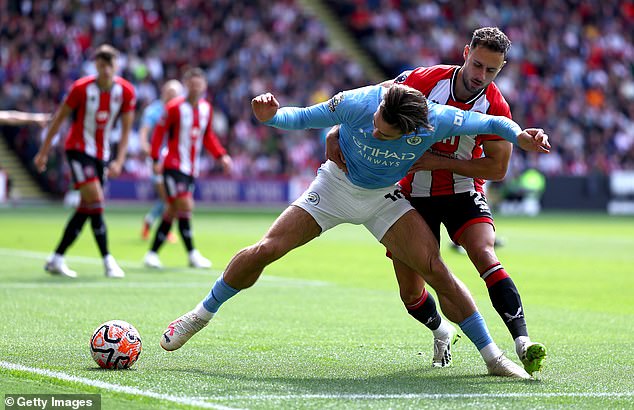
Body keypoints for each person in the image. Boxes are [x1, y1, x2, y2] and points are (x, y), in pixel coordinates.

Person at [159, 83, 550, 379]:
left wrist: (521, 135)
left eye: (385, 132)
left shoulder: (439, 118)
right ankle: (198, 316)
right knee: (266, 249)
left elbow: (493, 122)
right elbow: (300, 117)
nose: (376, 130)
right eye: (378, 122)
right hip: (334, 186)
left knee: (436, 269)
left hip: (383, 197)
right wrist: (271, 117)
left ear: (415, 129)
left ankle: (494, 358)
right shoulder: (358, 102)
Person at [327, 27, 547, 375]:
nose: (480, 76)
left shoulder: (496, 106)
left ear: (501, 69)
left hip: (462, 191)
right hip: (412, 195)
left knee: (484, 253)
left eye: (491, 70)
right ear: (465, 53)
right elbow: (374, 100)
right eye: (477, 65)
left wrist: (439, 162)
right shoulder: (423, 81)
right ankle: (440, 331)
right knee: (411, 294)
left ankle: (522, 341)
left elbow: (497, 168)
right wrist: (336, 129)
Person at [33, 44, 135, 279]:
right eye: (102, 63)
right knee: (96, 200)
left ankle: (56, 258)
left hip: (101, 154)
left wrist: (119, 159)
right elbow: (59, 119)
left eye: (110, 64)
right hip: (77, 149)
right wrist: (44, 151)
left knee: (87, 207)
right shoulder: (81, 89)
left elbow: (126, 130)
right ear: (96, 65)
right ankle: (108, 260)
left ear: (116, 66)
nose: (106, 69)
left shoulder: (126, 92)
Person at [143, 68, 233, 269]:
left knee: (173, 210)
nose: (195, 88)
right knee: (185, 205)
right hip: (173, 166)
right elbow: (159, 132)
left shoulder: (205, 109)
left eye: (199, 84)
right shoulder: (174, 108)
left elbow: (208, 136)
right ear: (186, 85)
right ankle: (192, 253)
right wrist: (155, 158)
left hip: (191, 168)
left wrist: (221, 156)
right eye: (192, 84)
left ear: (204, 86)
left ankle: (152, 253)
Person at [138, 80, 184, 242]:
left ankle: (152, 221)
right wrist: (145, 147)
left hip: (176, 159)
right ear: (163, 92)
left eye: (175, 93)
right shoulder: (154, 110)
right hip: (158, 158)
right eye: (170, 92)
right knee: (167, 197)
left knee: (171, 197)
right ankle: (164, 227)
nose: (172, 96)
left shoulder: (181, 109)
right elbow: (144, 131)